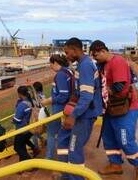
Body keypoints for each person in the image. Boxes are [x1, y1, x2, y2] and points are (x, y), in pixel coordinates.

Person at [90, 40, 138, 178]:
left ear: (103, 51)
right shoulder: (104, 65)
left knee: (125, 139)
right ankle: (115, 164)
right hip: (111, 107)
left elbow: (120, 86)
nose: (95, 59)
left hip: (125, 107)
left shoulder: (117, 61)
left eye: (96, 56)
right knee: (108, 137)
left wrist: (102, 93)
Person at [61, 37, 103, 180]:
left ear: (74, 50)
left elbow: (86, 97)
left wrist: (73, 115)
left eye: (67, 53)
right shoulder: (83, 64)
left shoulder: (85, 65)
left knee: (74, 148)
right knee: (70, 144)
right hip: (85, 113)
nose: (66, 56)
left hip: (85, 115)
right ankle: (68, 175)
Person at [41, 54, 72, 163]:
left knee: (51, 132)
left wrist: (48, 101)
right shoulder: (68, 71)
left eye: (50, 64)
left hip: (60, 109)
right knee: (64, 133)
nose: (50, 66)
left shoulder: (60, 75)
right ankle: (66, 157)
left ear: (55, 62)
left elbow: (63, 96)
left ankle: (49, 158)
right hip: (66, 108)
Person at [13, 86, 38, 161]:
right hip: (32, 128)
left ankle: (29, 162)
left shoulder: (22, 105)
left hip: (23, 129)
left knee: (17, 147)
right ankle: (23, 163)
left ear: (20, 94)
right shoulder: (32, 101)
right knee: (22, 145)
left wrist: (13, 120)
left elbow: (17, 119)